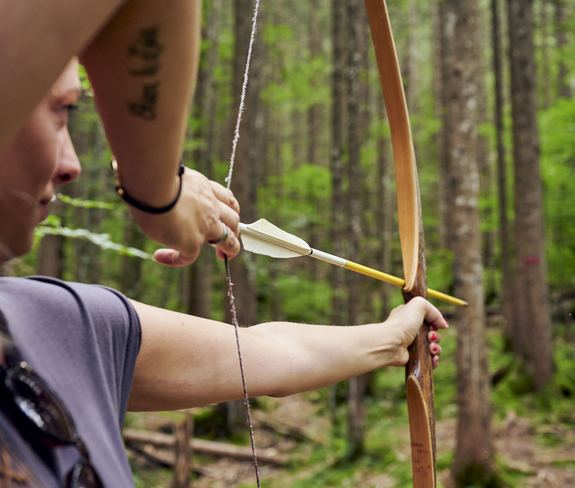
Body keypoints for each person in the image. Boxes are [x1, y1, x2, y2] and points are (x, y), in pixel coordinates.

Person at [0, 6, 447, 488]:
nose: (72, 165)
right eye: (60, 109)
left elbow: (270, 353)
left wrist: (391, 339)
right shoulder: (57, 323)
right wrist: (159, 196)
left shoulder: (58, 324)